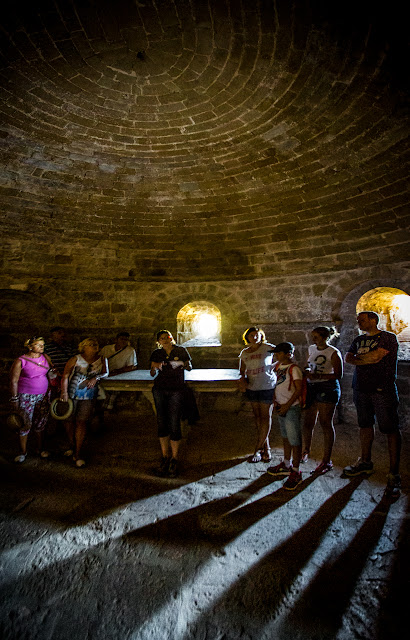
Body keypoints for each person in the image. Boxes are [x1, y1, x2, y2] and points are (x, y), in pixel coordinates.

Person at [343, 311, 401, 499]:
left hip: (381, 389)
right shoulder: (359, 339)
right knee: (365, 425)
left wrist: (362, 359)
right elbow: (348, 358)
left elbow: (376, 357)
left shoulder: (388, 338)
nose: (358, 321)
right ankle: (365, 462)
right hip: (361, 388)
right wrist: (365, 359)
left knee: (390, 428)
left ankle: (394, 473)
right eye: (358, 319)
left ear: (373, 320)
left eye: (362, 319)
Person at [60, 338, 108, 468]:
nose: (94, 346)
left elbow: (105, 373)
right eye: (91, 344)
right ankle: (72, 444)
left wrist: (96, 377)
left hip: (88, 394)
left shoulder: (102, 359)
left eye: (96, 344)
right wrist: (64, 392)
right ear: (83, 347)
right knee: (69, 420)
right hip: (71, 393)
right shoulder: (75, 359)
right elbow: (65, 376)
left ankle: (78, 452)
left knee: (82, 421)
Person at [150, 330, 192, 478]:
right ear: (158, 341)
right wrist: (155, 366)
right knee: (161, 421)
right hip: (160, 389)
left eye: (167, 338)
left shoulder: (181, 350)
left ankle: (174, 458)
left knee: (174, 422)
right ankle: (164, 456)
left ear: (171, 338)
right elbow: (152, 373)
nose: (165, 340)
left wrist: (180, 363)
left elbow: (189, 366)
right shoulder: (157, 353)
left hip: (176, 389)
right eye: (161, 338)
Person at [302, 326, 343, 474]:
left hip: (327, 387)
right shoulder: (312, 349)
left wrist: (319, 377)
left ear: (325, 337)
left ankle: (326, 460)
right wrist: (307, 371)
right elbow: (308, 365)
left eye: (316, 336)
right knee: (308, 422)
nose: (313, 339)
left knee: (325, 423)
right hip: (312, 387)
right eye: (313, 336)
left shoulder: (333, 352)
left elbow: (338, 374)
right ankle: (306, 450)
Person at [9, 336, 54, 463]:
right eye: (39, 345)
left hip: (43, 395)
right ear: (30, 346)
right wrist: (14, 398)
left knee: (41, 422)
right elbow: (13, 381)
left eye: (43, 345)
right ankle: (23, 452)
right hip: (26, 395)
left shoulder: (45, 357)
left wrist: (53, 373)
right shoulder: (21, 361)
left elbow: (50, 372)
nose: (42, 347)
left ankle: (39, 449)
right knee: (25, 422)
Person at [267, 342, 304, 490]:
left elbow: (298, 389)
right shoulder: (278, 367)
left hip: (291, 408)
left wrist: (287, 405)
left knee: (295, 439)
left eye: (279, 353)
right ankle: (286, 464)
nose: (276, 355)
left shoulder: (294, 369)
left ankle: (296, 470)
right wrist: (277, 403)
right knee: (286, 436)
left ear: (288, 354)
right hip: (281, 406)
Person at [238, 327, 276, 462]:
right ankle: (266, 447)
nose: (255, 337)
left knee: (266, 417)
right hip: (252, 387)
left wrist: (275, 368)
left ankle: (258, 449)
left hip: (267, 386)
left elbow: (285, 356)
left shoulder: (268, 348)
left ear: (261, 336)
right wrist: (242, 380)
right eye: (252, 335)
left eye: (257, 335)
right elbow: (242, 370)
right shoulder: (245, 352)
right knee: (258, 417)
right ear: (247, 337)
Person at [99, 332, 138, 411]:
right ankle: (103, 408)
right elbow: (99, 360)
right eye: (122, 339)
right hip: (104, 373)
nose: (124, 341)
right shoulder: (106, 349)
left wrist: (116, 371)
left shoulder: (130, 350)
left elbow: (131, 366)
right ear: (116, 340)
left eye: (126, 340)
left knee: (114, 389)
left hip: (118, 374)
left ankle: (107, 408)